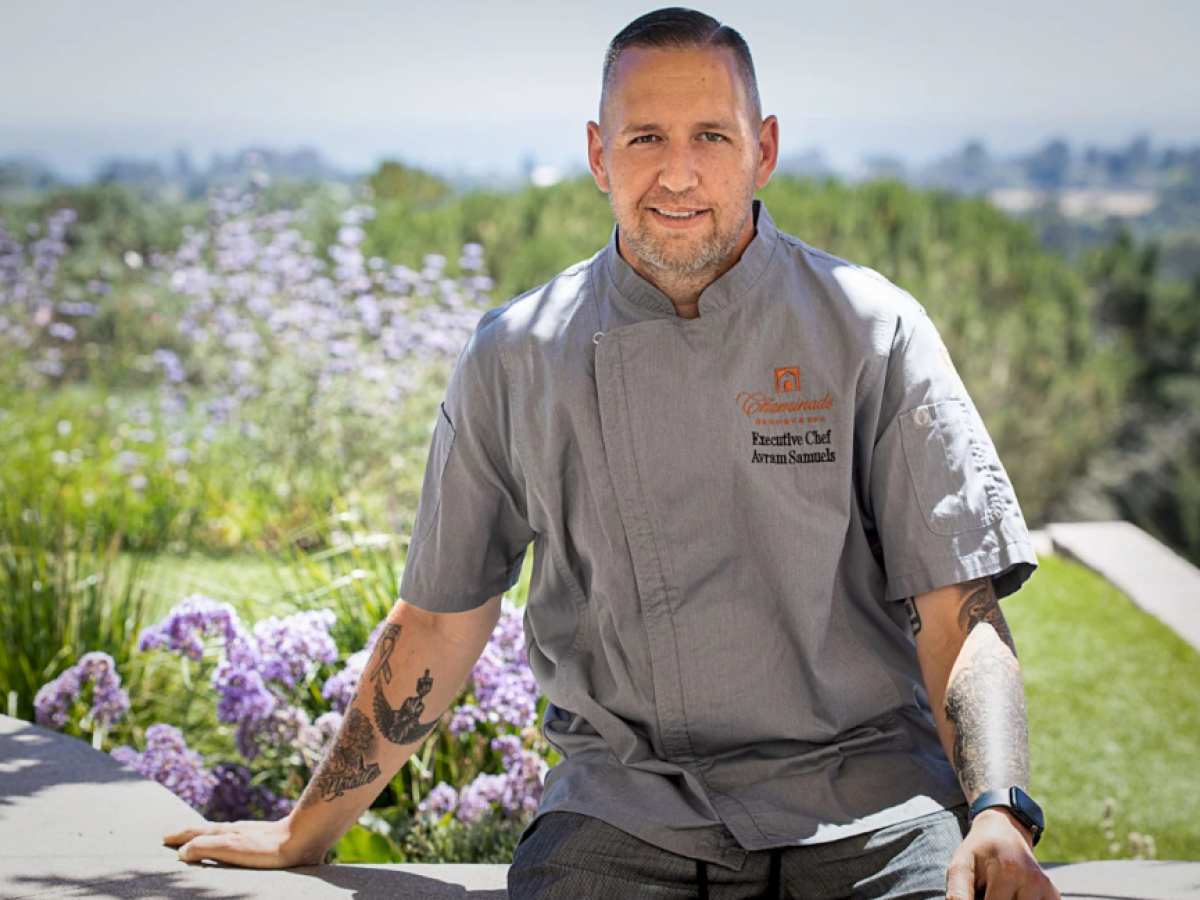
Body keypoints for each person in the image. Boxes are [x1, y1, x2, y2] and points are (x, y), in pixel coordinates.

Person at [165, 8, 1061, 899]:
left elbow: (958, 610)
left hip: (868, 799)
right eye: (644, 138)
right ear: (599, 155)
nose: (678, 173)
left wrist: (995, 813)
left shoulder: (872, 327)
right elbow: (441, 617)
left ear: (765, 148)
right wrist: (305, 828)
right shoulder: (517, 353)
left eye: (712, 134)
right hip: (627, 806)